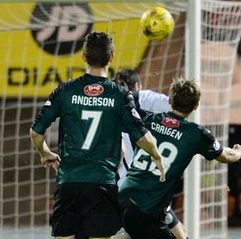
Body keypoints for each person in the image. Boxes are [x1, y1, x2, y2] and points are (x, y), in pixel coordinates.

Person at [29, 31, 165, 238]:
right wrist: (157, 157)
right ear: (111, 58)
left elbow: (36, 132)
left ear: (84, 56)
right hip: (102, 183)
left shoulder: (65, 90)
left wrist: (44, 153)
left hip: (68, 183)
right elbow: (141, 136)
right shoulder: (119, 94)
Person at [120, 78, 241, 238]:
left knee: (179, 233)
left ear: (171, 100)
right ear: (196, 106)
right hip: (147, 208)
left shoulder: (148, 119)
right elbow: (226, 156)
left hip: (124, 197)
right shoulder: (196, 134)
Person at [113, 69, 186, 239]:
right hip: (148, 183)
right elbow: (178, 108)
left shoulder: (111, 108)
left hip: (120, 186)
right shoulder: (148, 100)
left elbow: (120, 152)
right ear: (137, 85)